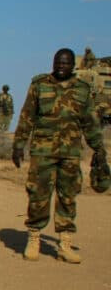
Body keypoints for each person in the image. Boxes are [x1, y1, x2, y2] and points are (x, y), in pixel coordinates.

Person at [12, 48, 106, 263]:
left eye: (65, 63)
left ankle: (64, 244)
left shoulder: (82, 89)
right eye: (58, 62)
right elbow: (27, 116)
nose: (61, 66)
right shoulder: (39, 84)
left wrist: (99, 149)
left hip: (70, 153)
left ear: (73, 65)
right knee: (38, 195)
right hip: (42, 151)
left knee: (68, 196)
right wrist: (18, 145)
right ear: (53, 63)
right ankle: (34, 238)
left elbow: (90, 122)